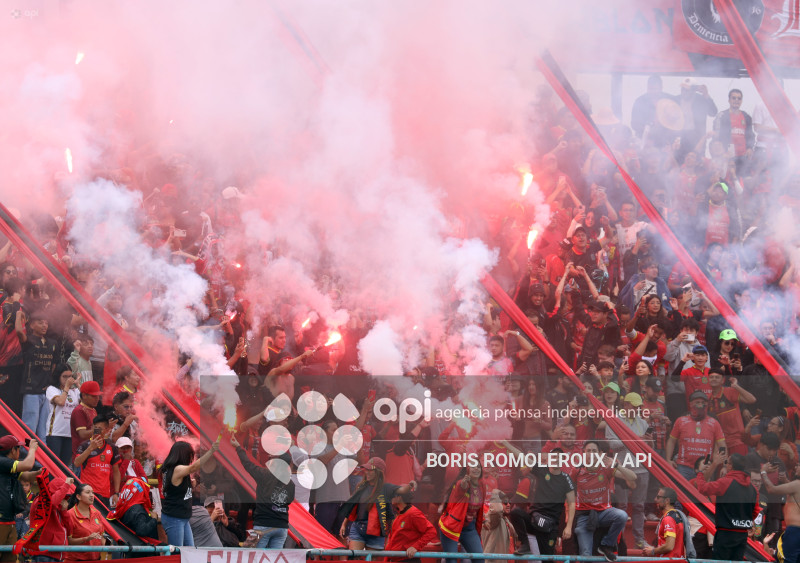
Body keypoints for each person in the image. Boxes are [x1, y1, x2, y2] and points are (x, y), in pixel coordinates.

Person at [573, 440, 636, 561]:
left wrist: (617, 465)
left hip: (604, 513)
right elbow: (568, 491)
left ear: (600, 453)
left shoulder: (607, 469)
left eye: (594, 451)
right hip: (584, 516)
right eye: (588, 451)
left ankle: (606, 545)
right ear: (583, 453)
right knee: (585, 555)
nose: (591, 453)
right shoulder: (577, 471)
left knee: (622, 515)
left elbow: (633, 477)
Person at [338, 456, 417, 551]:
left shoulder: (386, 488)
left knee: (372, 560)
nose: (366, 472)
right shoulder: (361, 486)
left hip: (376, 530)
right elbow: (353, 506)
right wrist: (344, 524)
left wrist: (411, 484)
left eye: (370, 470)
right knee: (355, 559)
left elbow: (402, 490)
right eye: (366, 469)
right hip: (358, 528)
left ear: (378, 472)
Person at [231, 435, 295, 549]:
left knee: (255, 557)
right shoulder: (290, 484)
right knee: (274, 559)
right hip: (281, 527)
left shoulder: (264, 475)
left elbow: (248, 464)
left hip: (263, 525)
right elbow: (288, 501)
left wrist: (238, 447)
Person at [509, 447, 575, 556]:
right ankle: (525, 545)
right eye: (554, 457)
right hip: (534, 521)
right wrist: (506, 443)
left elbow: (572, 504)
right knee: (515, 512)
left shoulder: (566, 479)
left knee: (547, 559)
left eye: (559, 457)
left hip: (549, 527)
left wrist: (568, 527)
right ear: (549, 459)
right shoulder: (541, 470)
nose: (556, 459)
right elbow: (522, 457)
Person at [695, 453, 758, 561]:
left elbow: (702, 488)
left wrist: (700, 473)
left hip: (725, 533)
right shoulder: (753, 488)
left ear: (730, 466)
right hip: (742, 535)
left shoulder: (725, 482)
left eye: (727, 463)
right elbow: (755, 511)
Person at [159, 437, 221, 546]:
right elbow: (194, 467)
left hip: (182, 517)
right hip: (174, 517)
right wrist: (211, 451)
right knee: (178, 552)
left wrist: (190, 486)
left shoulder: (175, 470)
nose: (191, 459)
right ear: (183, 455)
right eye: (190, 455)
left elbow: (176, 492)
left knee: (189, 550)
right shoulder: (177, 469)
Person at [16, 308, 58, 441]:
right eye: (40, 322)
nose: (44, 325)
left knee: (42, 431)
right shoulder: (29, 340)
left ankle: (40, 462)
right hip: (31, 391)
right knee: (29, 428)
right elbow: (18, 331)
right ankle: (25, 456)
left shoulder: (52, 343)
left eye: (46, 323)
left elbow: (53, 365)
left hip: (45, 391)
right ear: (32, 325)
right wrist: (18, 314)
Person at [666, 391, 726, 480]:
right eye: (697, 402)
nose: (700, 405)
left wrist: (725, 465)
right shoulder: (681, 421)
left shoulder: (714, 423)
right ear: (690, 404)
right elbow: (671, 441)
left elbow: (722, 445)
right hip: (683, 466)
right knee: (682, 493)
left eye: (703, 402)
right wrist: (668, 460)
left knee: (703, 493)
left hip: (705, 466)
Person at [0, 435, 39, 561]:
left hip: (9, 520)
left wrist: (39, 473)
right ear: (13, 450)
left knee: (10, 559)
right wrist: (32, 449)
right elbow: (27, 465)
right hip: (1, 521)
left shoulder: (8, 465)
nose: (20, 451)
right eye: (19, 448)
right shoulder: (2, 461)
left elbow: (27, 476)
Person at [438, 465, 485, 563]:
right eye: (473, 467)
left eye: (478, 467)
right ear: (468, 470)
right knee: (452, 561)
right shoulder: (461, 483)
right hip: (452, 527)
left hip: (469, 527)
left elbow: (480, 509)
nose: (476, 469)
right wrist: (464, 481)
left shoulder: (482, 485)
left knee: (480, 560)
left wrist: (484, 521)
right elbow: (462, 486)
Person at [73, 414, 121, 508]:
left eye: (100, 428)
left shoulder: (112, 447)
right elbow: (76, 463)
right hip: (87, 493)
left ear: (107, 430)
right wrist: (90, 448)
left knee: (101, 521)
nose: (97, 431)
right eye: (96, 428)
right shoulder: (85, 445)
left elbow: (116, 471)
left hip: (104, 494)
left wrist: (116, 493)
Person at [383, 488, 437, 562]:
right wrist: (386, 559)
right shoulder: (399, 514)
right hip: (397, 559)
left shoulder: (413, 513)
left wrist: (415, 547)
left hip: (407, 559)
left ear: (399, 498)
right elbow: (392, 539)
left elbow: (431, 531)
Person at [44, 366, 80, 468]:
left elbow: (86, 400)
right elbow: (60, 402)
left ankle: (61, 484)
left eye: (70, 376)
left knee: (64, 466)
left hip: (69, 433)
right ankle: (51, 484)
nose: (68, 379)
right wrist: (67, 388)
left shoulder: (75, 391)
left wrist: (77, 384)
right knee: (53, 465)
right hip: (55, 432)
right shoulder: (52, 389)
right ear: (58, 376)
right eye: (64, 376)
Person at [762, 467, 800, 563]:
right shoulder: (795, 486)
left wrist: (763, 472)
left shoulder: (796, 485)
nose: (796, 467)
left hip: (795, 531)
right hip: (795, 531)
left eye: (799, 465)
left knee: (788, 560)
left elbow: (771, 489)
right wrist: (786, 481)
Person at [712, 89, 754, 173]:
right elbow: (716, 135)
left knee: (742, 182)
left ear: (741, 101)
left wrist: (750, 148)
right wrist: (721, 153)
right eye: (733, 98)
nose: (736, 100)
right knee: (725, 181)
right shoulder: (722, 116)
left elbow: (751, 135)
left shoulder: (746, 116)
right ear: (729, 100)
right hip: (727, 156)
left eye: (739, 98)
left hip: (743, 156)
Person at [107, 476, 159, 543]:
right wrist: (154, 519)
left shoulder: (122, 508)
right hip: (144, 549)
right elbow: (142, 531)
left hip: (130, 547)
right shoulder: (138, 510)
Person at [63, 484, 105, 561]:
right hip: (76, 560)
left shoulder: (97, 513)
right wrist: (87, 538)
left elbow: (101, 536)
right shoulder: (70, 515)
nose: (92, 495)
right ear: (78, 497)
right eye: (88, 492)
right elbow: (67, 541)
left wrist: (107, 544)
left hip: (96, 559)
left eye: (92, 493)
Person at [642, 487, 685, 558]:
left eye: (658, 497)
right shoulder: (678, 515)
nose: (655, 499)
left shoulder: (668, 519)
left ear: (667, 500)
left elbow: (669, 546)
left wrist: (653, 551)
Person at [481, 490, 516, 563]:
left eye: (509, 502)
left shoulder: (505, 520)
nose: (508, 505)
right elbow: (497, 510)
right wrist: (495, 494)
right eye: (505, 503)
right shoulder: (492, 518)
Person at [69, 381, 101, 459]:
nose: (97, 399)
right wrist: (101, 430)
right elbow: (83, 435)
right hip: (81, 456)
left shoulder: (93, 410)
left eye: (98, 396)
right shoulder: (79, 411)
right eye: (94, 396)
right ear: (84, 395)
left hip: (92, 455)